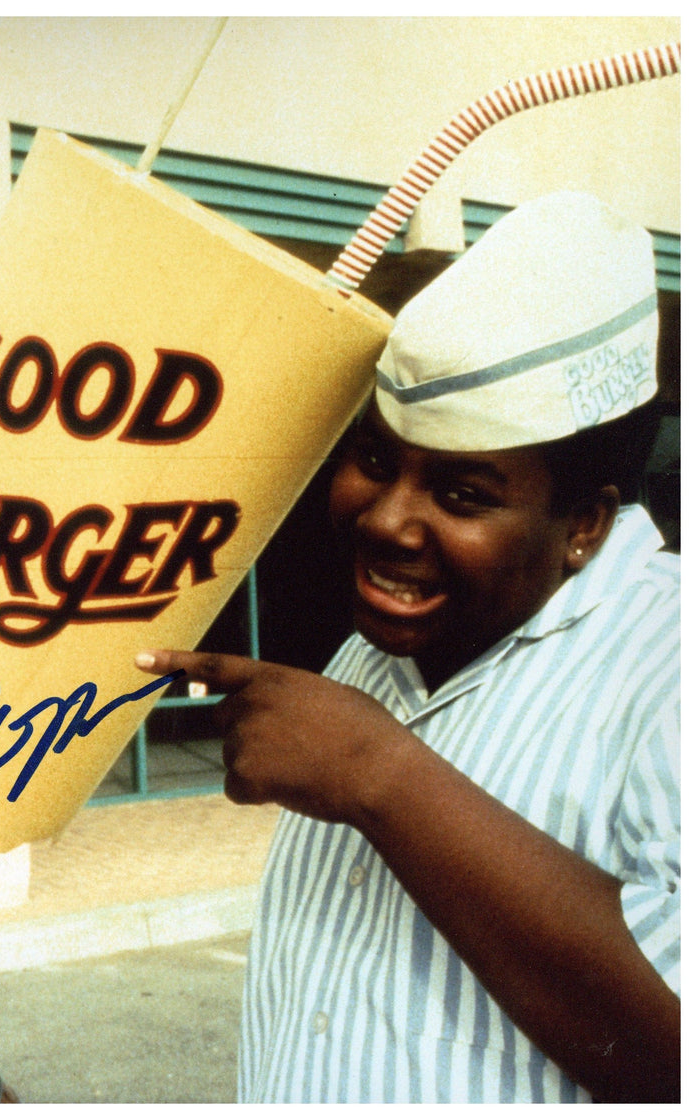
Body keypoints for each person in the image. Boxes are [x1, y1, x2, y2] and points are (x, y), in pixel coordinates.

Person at [137, 191, 679, 1103]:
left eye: (463, 495)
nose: (387, 520)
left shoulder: (670, 669)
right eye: (377, 462)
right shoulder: (375, 653)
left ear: (584, 522)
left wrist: (378, 774)